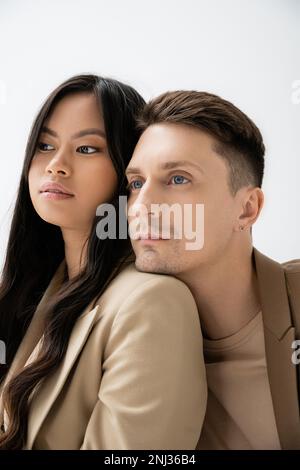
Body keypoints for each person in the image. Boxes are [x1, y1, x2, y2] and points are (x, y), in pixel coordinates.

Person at [0, 76, 207, 450]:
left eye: (87, 149)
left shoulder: (153, 302)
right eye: (45, 145)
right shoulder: (37, 290)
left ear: (128, 172)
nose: (56, 166)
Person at [126, 90, 300, 450]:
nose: (141, 206)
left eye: (178, 179)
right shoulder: (126, 338)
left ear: (247, 208)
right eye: (136, 183)